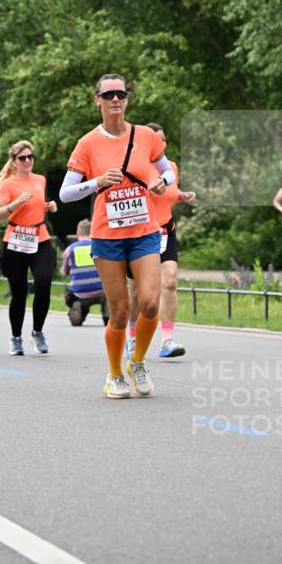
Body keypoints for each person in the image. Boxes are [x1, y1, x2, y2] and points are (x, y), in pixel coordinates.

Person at [59, 74, 175, 399]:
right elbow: (66, 193)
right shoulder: (87, 144)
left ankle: (137, 361)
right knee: (121, 310)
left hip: (144, 231)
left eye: (120, 94)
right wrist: (96, 183)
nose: (115, 100)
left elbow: (167, 170)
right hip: (108, 236)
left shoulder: (146, 136)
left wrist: (163, 182)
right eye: (108, 94)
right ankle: (114, 374)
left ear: (127, 99)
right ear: (97, 99)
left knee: (150, 302)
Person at [126, 123, 196, 360]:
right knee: (137, 291)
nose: (161, 143)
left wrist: (181, 196)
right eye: (156, 139)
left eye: (164, 139)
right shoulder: (135, 167)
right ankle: (132, 338)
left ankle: (167, 340)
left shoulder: (171, 168)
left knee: (171, 282)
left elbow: (170, 195)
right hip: (140, 233)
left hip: (166, 231)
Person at [0, 140, 58, 356]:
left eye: (30, 157)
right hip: (16, 240)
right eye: (22, 158)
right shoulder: (8, 184)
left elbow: (39, 206)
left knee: (43, 282)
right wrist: (16, 203)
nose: (28, 160)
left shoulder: (40, 179)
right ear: (14, 161)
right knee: (19, 293)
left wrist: (49, 206)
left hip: (40, 238)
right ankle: (16, 337)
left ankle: (37, 331)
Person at [61, 219, 109, 326]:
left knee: (68, 293)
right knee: (108, 291)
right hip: (100, 291)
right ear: (92, 232)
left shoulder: (70, 250)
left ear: (78, 233)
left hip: (79, 293)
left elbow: (64, 272)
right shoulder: (99, 246)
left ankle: (77, 307)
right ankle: (107, 312)